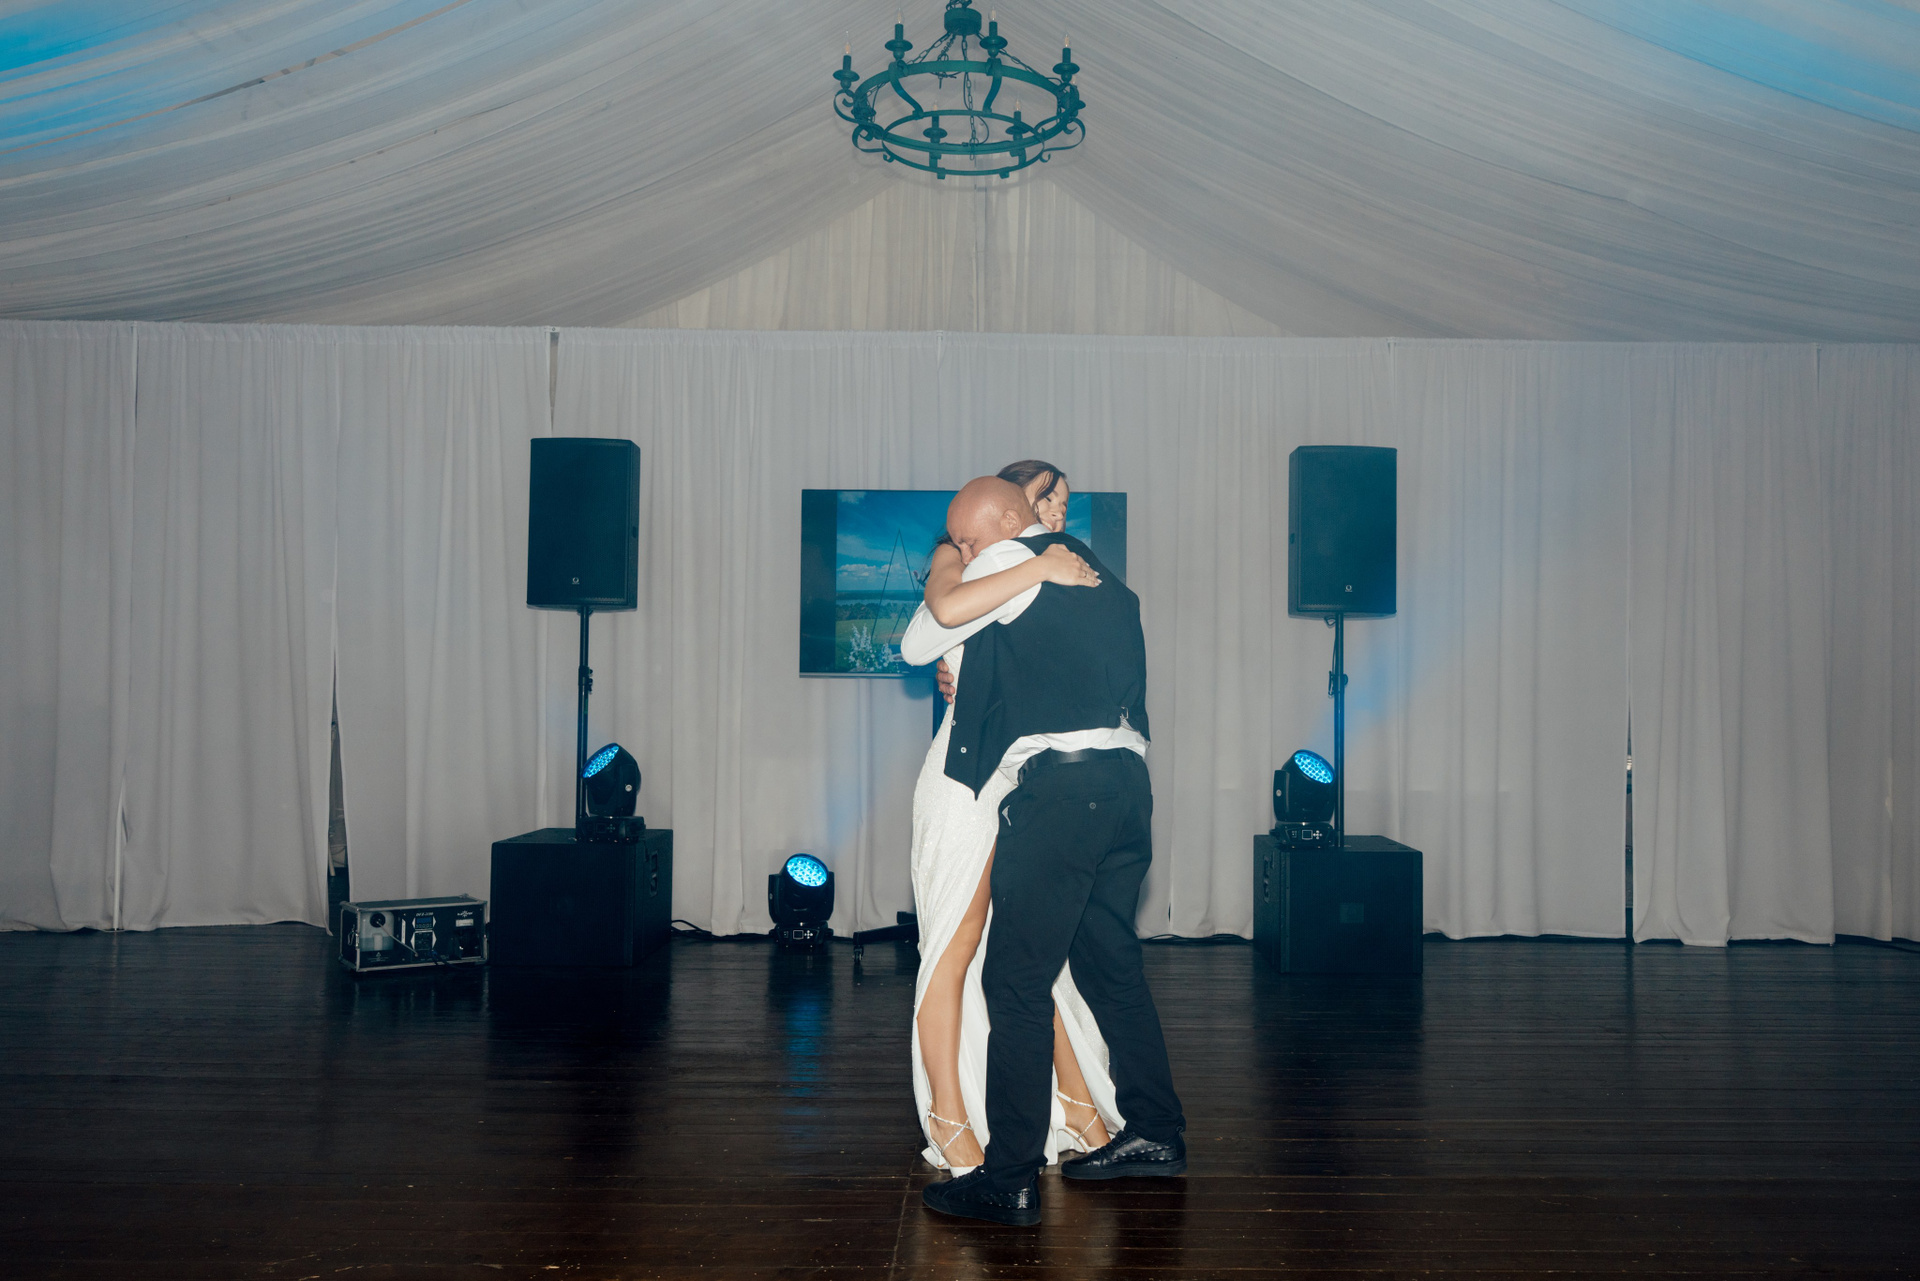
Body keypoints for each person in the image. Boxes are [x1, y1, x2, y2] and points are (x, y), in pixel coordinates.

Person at [917, 476, 1187, 1228]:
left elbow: (930, 625)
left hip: (1063, 794)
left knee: (1015, 982)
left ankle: (1008, 1178)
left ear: (1008, 522)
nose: (967, 552)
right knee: (1111, 967)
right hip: (1127, 786)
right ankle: (1157, 1131)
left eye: (969, 538)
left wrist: (949, 563)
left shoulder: (1012, 565)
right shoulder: (1108, 584)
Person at [901, 462, 1121, 1178]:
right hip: (962, 785)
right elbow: (922, 640)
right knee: (954, 949)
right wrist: (1034, 568)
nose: (1059, 513)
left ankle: (1079, 1108)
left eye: (1064, 503)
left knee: (1028, 966)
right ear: (1011, 506)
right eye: (1049, 499)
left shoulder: (1055, 569)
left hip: (1021, 788)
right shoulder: (973, 559)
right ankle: (950, 1120)